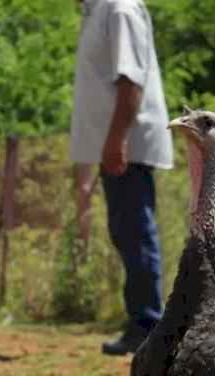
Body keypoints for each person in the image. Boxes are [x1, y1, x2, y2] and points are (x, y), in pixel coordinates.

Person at [71, 0, 173, 355]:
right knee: (127, 233)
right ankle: (142, 323)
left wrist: (117, 140)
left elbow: (131, 81)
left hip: (128, 146)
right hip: (116, 144)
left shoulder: (119, 9)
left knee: (135, 234)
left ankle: (148, 327)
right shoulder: (98, 11)